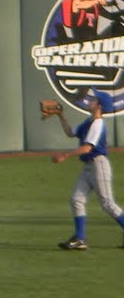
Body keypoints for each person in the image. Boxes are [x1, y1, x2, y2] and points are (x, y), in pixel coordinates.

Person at [50, 88, 124, 250]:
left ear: (99, 106)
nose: (90, 100)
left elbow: (87, 148)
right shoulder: (89, 121)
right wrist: (60, 115)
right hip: (89, 167)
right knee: (77, 200)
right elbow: (70, 133)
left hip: (98, 165)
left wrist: (65, 155)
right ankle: (80, 239)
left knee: (108, 204)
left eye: (94, 100)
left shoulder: (98, 124)